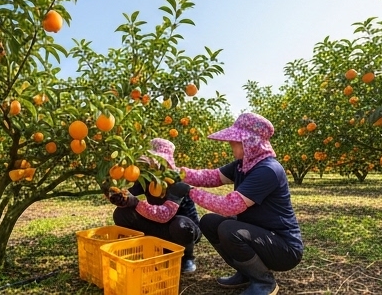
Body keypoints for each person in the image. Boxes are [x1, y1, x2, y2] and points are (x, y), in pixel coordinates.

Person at [164, 112, 302, 295]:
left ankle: (264, 282)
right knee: (209, 222)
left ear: (250, 142)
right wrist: (175, 172)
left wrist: (190, 191)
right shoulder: (243, 165)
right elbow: (211, 177)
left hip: (283, 247)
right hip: (260, 236)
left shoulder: (267, 170)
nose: (230, 144)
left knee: (229, 229)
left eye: (235, 141)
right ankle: (247, 273)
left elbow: (230, 206)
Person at [107, 138, 200, 274]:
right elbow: (128, 193)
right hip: (161, 225)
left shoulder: (177, 181)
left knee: (180, 225)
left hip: (182, 227)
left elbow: (165, 214)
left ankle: (187, 257)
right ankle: (148, 248)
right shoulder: (147, 177)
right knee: (121, 214)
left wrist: (135, 202)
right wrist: (116, 195)